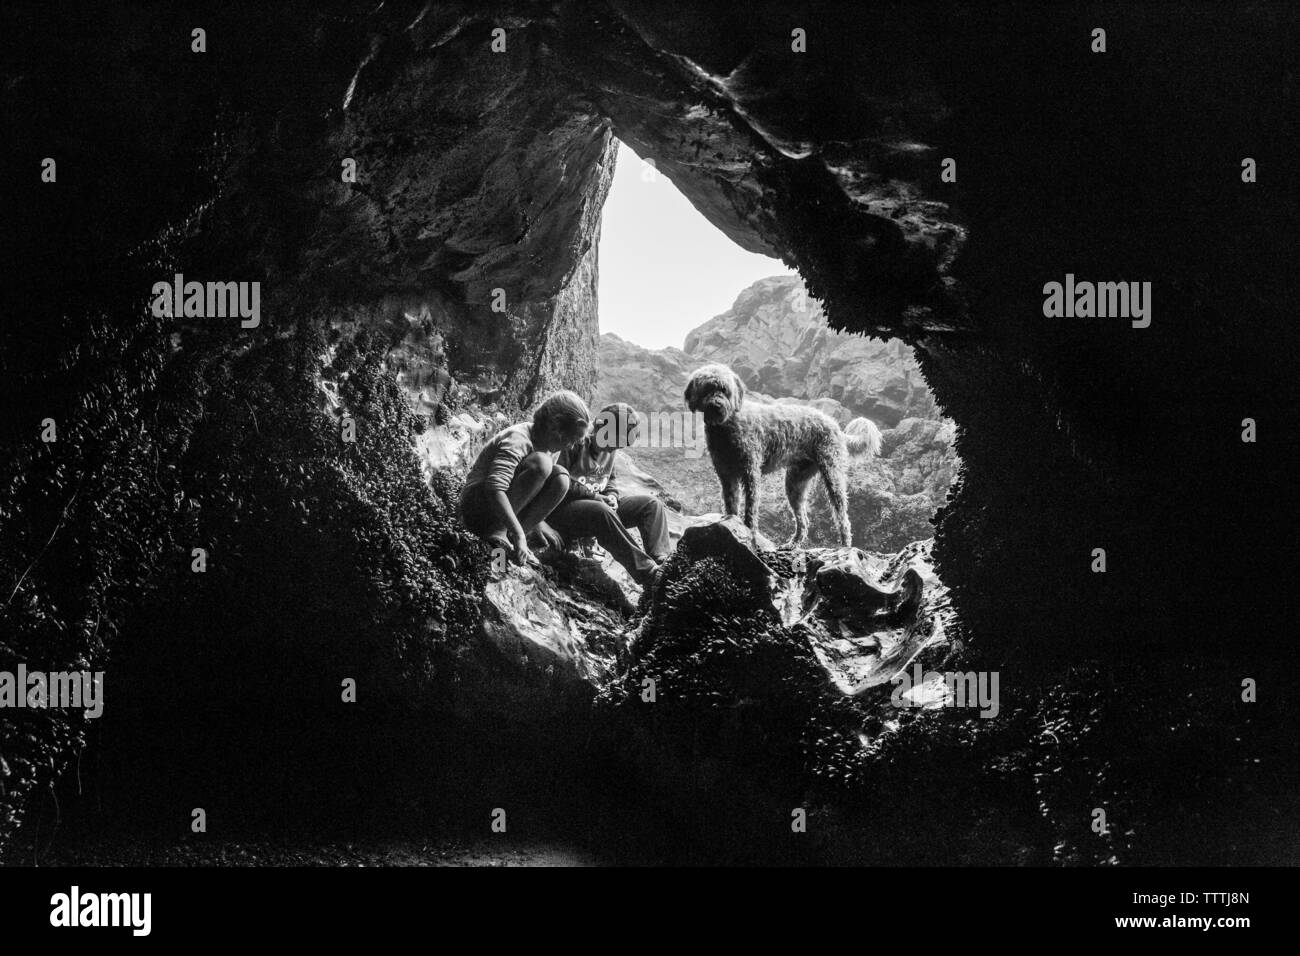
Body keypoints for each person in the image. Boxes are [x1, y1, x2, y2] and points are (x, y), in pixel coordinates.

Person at [536, 402, 672, 587]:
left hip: (597, 508)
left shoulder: (610, 452)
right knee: (601, 510)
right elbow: (558, 480)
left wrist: (613, 496)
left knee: (651, 505)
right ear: (599, 427)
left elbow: (611, 480)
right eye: (612, 441)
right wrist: (595, 497)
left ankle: (663, 561)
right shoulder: (574, 442)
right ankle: (648, 573)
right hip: (561, 510)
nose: (613, 449)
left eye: (619, 445)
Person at [459, 390, 591, 566]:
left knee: (561, 478)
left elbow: (534, 489)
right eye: (571, 439)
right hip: (477, 507)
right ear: (555, 427)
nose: (571, 446)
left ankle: (512, 538)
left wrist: (535, 523)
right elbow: (495, 488)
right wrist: (520, 533)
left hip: (501, 509)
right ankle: (500, 532)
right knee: (542, 464)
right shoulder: (518, 438)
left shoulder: (552, 447)